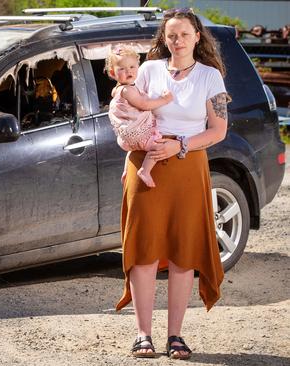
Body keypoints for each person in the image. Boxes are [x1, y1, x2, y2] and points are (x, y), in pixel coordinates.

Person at [114, 8, 229, 360]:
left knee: (183, 254)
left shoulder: (211, 77)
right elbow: (132, 117)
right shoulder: (147, 70)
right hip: (145, 167)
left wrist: (179, 144)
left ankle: (175, 336)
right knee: (144, 251)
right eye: (171, 35)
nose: (177, 40)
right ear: (164, 39)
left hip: (187, 166)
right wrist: (127, 161)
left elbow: (218, 131)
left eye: (183, 34)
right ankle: (143, 335)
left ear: (197, 36)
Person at [105, 45, 174, 187]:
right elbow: (144, 104)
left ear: (138, 66)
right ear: (112, 73)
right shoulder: (127, 90)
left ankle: (126, 171)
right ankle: (145, 170)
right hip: (138, 134)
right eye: (122, 69)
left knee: (132, 151)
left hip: (126, 139)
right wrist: (164, 100)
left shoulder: (116, 90)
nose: (128, 71)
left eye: (132, 67)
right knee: (157, 147)